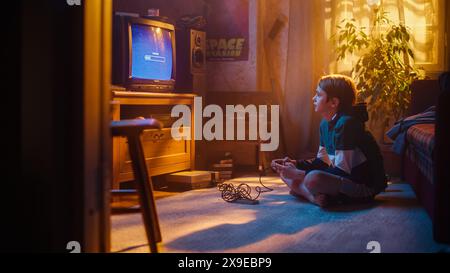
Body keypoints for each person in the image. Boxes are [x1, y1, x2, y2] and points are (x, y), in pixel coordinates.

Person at [272, 74, 387, 207]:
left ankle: (307, 194)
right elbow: (322, 162)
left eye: (319, 95)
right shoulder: (325, 123)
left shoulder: (347, 124)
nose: (313, 98)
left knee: (312, 178)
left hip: (363, 185)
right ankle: (313, 197)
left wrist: (298, 174)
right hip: (343, 179)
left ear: (333, 103)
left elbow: (344, 172)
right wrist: (296, 164)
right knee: (286, 172)